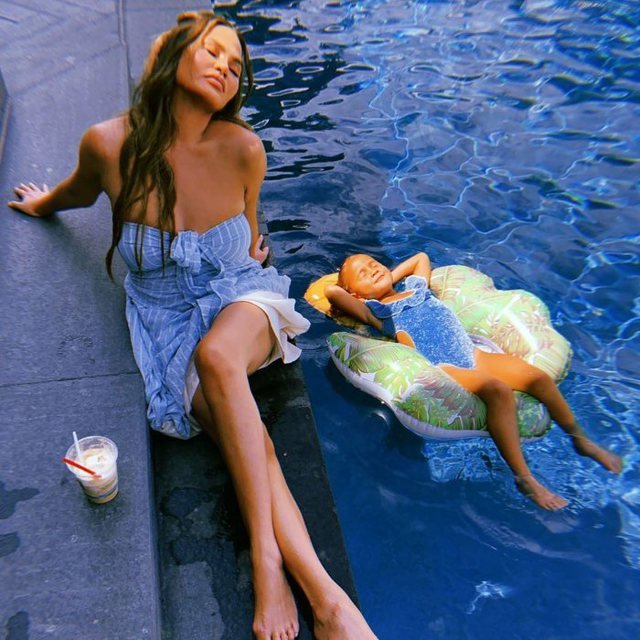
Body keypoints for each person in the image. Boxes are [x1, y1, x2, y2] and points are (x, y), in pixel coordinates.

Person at [9, 10, 378, 640]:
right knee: (246, 438)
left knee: (219, 357)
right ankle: (329, 603)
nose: (225, 69)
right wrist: (41, 204)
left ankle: (268, 565)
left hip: (240, 298)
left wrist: (250, 253)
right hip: (166, 318)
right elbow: (75, 193)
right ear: (172, 51)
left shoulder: (244, 149)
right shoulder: (107, 144)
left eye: (236, 66)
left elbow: (249, 234)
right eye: (213, 52)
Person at [326, 252, 622, 511]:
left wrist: (388, 276)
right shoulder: (378, 313)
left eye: (373, 264)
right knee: (497, 390)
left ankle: (580, 439)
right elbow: (332, 291)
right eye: (363, 273)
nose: (373, 270)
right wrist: (362, 293)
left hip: (474, 353)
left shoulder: (417, 288)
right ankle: (525, 478)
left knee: (537, 378)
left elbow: (420, 258)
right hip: (446, 367)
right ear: (357, 295)